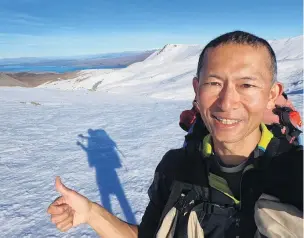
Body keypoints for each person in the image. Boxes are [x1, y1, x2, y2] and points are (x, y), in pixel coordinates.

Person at [47, 31, 303, 237]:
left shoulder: (296, 173)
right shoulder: (175, 168)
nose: (227, 103)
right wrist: (92, 213)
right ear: (196, 89)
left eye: (246, 85)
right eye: (214, 83)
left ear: (271, 95)